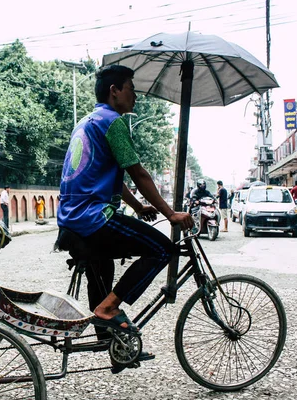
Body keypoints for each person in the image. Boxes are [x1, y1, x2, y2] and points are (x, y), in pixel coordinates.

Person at [57, 65, 193, 343]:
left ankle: (109, 339)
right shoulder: (113, 122)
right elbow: (138, 173)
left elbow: (109, 177)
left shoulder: (86, 122)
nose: (135, 96)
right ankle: (108, 309)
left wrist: (138, 206)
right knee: (161, 249)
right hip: (93, 215)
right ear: (114, 91)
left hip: (72, 216)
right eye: (131, 88)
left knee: (103, 265)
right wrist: (171, 215)